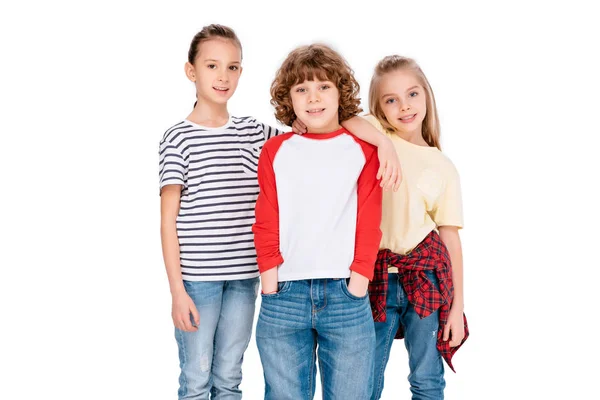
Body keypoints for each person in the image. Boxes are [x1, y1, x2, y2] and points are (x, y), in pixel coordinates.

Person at [158, 25, 401, 399]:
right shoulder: (207, 140)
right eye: (301, 89)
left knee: (230, 375)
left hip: (295, 286)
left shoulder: (269, 135)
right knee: (199, 374)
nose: (223, 76)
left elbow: (366, 212)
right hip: (244, 285)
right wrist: (268, 283)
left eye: (233, 67)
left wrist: (382, 141)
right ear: (191, 71)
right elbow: (255, 217)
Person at [253, 43, 382, 400]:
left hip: (346, 294)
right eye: (301, 89)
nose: (313, 98)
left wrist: (358, 282)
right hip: (284, 296)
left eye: (323, 86)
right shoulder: (276, 151)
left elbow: (369, 221)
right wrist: (269, 283)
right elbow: (267, 219)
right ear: (289, 99)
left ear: (340, 91)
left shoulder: (363, 149)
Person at [359, 55, 469, 400]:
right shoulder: (376, 133)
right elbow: (345, 119)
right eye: (391, 100)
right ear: (379, 107)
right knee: (364, 380)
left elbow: (449, 237)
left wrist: (457, 307)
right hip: (374, 278)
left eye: (412, 94)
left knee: (427, 379)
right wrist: (385, 144)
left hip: (426, 277)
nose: (404, 107)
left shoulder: (443, 165)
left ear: (427, 96)